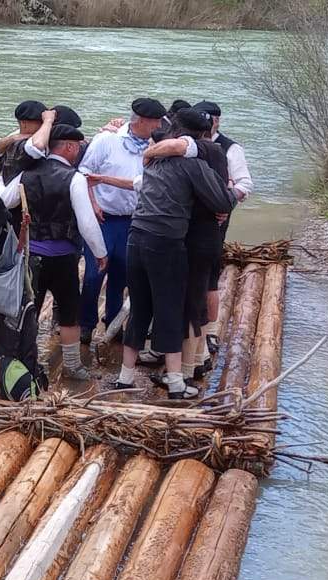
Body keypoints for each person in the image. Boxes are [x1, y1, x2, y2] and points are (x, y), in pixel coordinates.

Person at [111, 107, 235, 399]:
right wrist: (227, 192)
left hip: (136, 236)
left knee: (140, 307)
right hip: (166, 243)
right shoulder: (194, 166)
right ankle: (177, 384)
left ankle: (124, 378)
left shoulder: (153, 160)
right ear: (203, 136)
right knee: (169, 310)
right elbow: (222, 202)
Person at [0, 123, 107, 381]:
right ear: (68, 147)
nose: (79, 151)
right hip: (64, 259)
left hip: (32, 256)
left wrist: (2, 176)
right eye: (77, 147)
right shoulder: (74, 178)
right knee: (69, 312)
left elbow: (2, 200)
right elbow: (87, 222)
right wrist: (100, 253)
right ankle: (72, 366)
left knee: (27, 310)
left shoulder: (27, 174)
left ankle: (24, 363)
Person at [76, 98, 161, 346]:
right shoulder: (108, 140)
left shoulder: (155, 147)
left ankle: (113, 322)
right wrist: (92, 203)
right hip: (103, 218)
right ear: (142, 121)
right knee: (93, 274)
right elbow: (84, 172)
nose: (158, 126)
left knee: (122, 274)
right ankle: (87, 324)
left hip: (133, 220)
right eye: (155, 121)